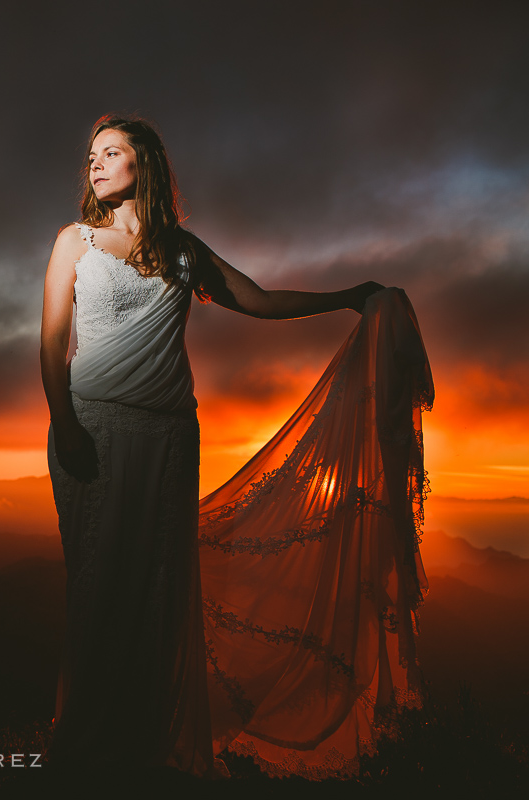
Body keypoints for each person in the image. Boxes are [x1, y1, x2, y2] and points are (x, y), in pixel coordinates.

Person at [39, 115, 432, 784]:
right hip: (93, 429)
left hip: (167, 436)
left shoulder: (183, 249)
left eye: (112, 153)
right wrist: (67, 425)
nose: (95, 165)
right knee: (99, 588)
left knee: (158, 591)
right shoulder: (74, 242)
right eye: (91, 156)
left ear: (147, 165)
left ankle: (142, 751)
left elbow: (259, 300)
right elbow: (51, 345)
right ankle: (82, 749)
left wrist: (348, 299)